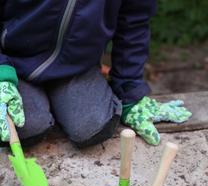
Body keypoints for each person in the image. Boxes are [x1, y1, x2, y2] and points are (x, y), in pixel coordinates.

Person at [0, 1, 191, 148]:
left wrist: (129, 90)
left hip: (76, 67)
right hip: (12, 62)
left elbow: (134, 22)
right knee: (25, 126)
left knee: (92, 124)